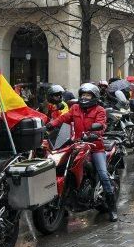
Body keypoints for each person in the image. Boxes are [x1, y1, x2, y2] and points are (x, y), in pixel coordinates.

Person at [46, 83, 118, 221]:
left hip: (95, 147)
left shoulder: (99, 110)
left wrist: (94, 133)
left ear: (94, 96)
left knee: (103, 175)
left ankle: (112, 208)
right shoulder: (75, 108)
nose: (85, 97)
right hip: (78, 145)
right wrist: (50, 125)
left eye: (88, 95)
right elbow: (63, 118)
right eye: (83, 94)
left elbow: (101, 125)